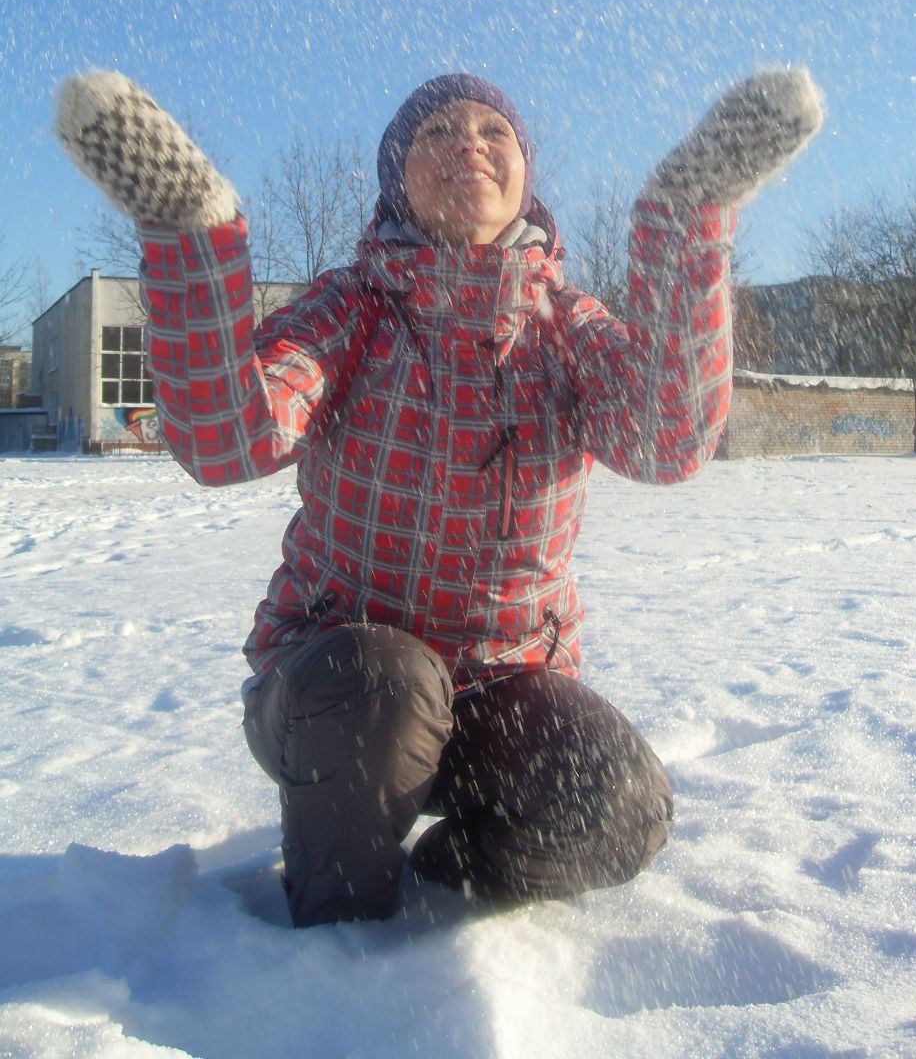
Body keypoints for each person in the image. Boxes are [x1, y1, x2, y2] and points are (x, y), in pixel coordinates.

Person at [55, 66, 823, 926]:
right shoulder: (350, 312)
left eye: (494, 132)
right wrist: (192, 236)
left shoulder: (567, 328)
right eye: (438, 133)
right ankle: (329, 945)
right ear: (397, 181)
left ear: (525, 173)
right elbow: (227, 436)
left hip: (501, 692)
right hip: (334, 695)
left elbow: (665, 435)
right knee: (387, 685)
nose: (470, 144)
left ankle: (446, 875)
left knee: (615, 802)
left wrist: (686, 221)